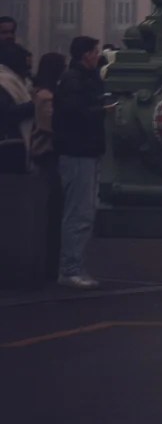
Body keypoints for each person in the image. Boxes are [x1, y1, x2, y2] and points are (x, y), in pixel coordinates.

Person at [54, 36, 111, 289]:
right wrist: (102, 110)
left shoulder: (80, 78)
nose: (98, 55)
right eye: (95, 51)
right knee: (79, 213)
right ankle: (70, 269)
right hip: (78, 151)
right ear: (85, 54)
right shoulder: (74, 80)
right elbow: (74, 114)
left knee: (83, 211)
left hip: (84, 151)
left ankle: (74, 266)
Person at [30, 53, 65, 282]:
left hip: (47, 155)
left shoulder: (40, 93)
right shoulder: (45, 97)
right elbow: (49, 125)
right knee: (52, 209)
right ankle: (49, 267)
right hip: (47, 154)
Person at [0, 44, 35, 174]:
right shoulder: (4, 81)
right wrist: (33, 106)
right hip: (8, 143)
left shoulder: (16, 80)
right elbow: (6, 112)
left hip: (14, 142)